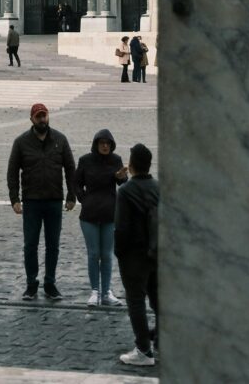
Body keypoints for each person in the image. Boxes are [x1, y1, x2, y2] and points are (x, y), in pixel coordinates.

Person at [7, 101, 77, 301]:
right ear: (31, 119)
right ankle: (31, 283)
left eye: (44, 115)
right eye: (38, 116)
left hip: (54, 200)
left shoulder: (60, 140)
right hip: (32, 201)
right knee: (30, 244)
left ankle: (50, 283)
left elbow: (71, 169)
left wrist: (72, 195)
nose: (42, 119)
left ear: (48, 117)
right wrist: (15, 199)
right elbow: (12, 172)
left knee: (53, 245)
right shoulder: (21, 142)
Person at [115, 142, 159, 368]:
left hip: (134, 255)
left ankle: (143, 349)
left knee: (136, 301)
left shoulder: (125, 191)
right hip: (156, 252)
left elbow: (121, 228)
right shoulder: (158, 187)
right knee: (158, 298)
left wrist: (118, 252)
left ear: (131, 165)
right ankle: (162, 338)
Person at [75, 128, 127, 306]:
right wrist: (84, 199)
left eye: (108, 143)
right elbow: (76, 183)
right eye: (101, 143)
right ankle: (94, 291)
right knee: (93, 253)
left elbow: (123, 182)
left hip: (109, 213)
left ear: (111, 145)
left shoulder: (116, 160)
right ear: (96, 144)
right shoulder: (85, 160)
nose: (105, 146)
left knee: (106, 254)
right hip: (89, 214)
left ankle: (106, 292)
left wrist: (122, 177)